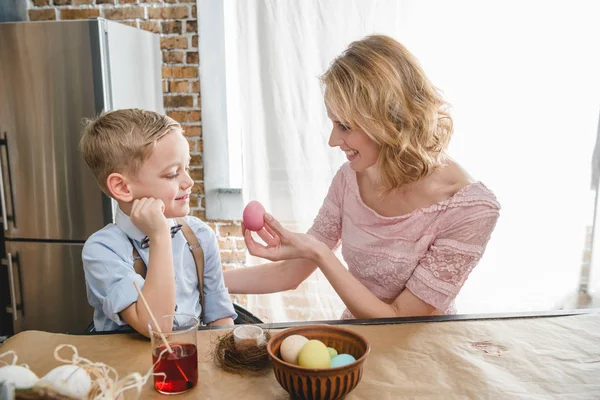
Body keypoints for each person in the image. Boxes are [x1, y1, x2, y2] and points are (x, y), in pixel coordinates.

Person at [224, 35, 500, 319]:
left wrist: (320, 253)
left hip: (420, 352)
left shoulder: (469, 208)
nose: (333, 140)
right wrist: (208, 281)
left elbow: (398, 319)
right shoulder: (350, 179)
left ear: (388, 121)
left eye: (344, 126)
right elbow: (291, 272)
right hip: (359, 342)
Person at [80, 109, 236, 334]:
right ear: (123, 188)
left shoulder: (200, 236)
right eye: (173, 173)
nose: (189, 182)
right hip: (126, 366)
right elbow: (156, 326)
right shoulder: (102, 250)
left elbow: (219, 317)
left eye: (187, 168)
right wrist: (159, 236)